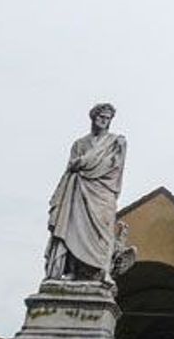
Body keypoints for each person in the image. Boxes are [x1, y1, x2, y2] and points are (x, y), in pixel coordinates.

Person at [45, 103, 127, 282]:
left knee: (103, 231)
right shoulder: (80, 143)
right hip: (79, 191)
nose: (104, 121)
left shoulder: (115, 142)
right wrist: (84, 163)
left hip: (103, 192)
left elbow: (115, 167)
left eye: (107, 118)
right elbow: (72, 166)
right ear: (93, 118)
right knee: (74, 228)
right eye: (101, 117)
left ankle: (100, 271)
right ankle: (75, 271)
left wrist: (85, 163)